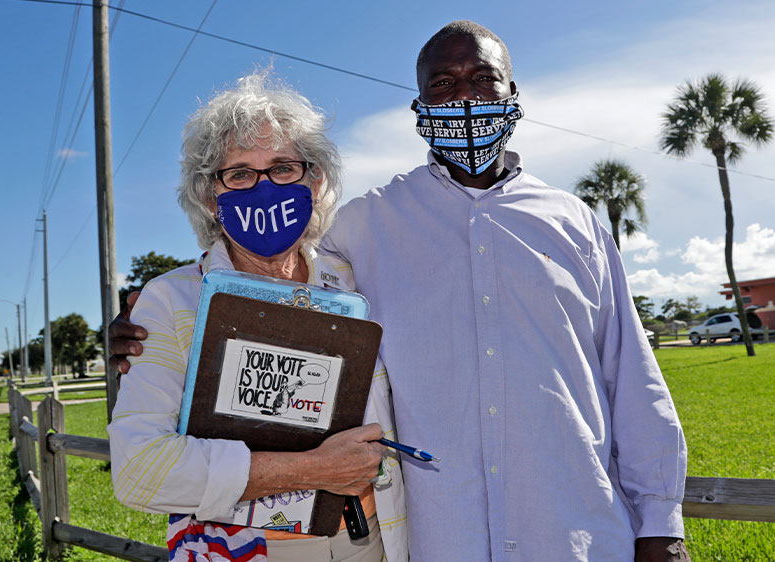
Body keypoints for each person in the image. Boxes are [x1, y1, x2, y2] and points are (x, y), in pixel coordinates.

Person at [113, 21, 690, 562]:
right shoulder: (363, 231)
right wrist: (140, 331)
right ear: (420, 107)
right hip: (414, 542)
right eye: (443, 84)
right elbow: (233, 291)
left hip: (565, 533)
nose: (464, 99)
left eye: (483, 79)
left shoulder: (574, 223)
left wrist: (661, 524)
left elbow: (631, 377)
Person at [106, 72, 408, 562]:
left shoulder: (359, 280)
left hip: (375, 540)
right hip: (246, 549)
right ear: (210, 197)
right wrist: (309, 469)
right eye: (240, 173)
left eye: (284, 167)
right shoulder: (172, 301)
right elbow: (140, 470)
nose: (264, 188)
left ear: (316, 179)